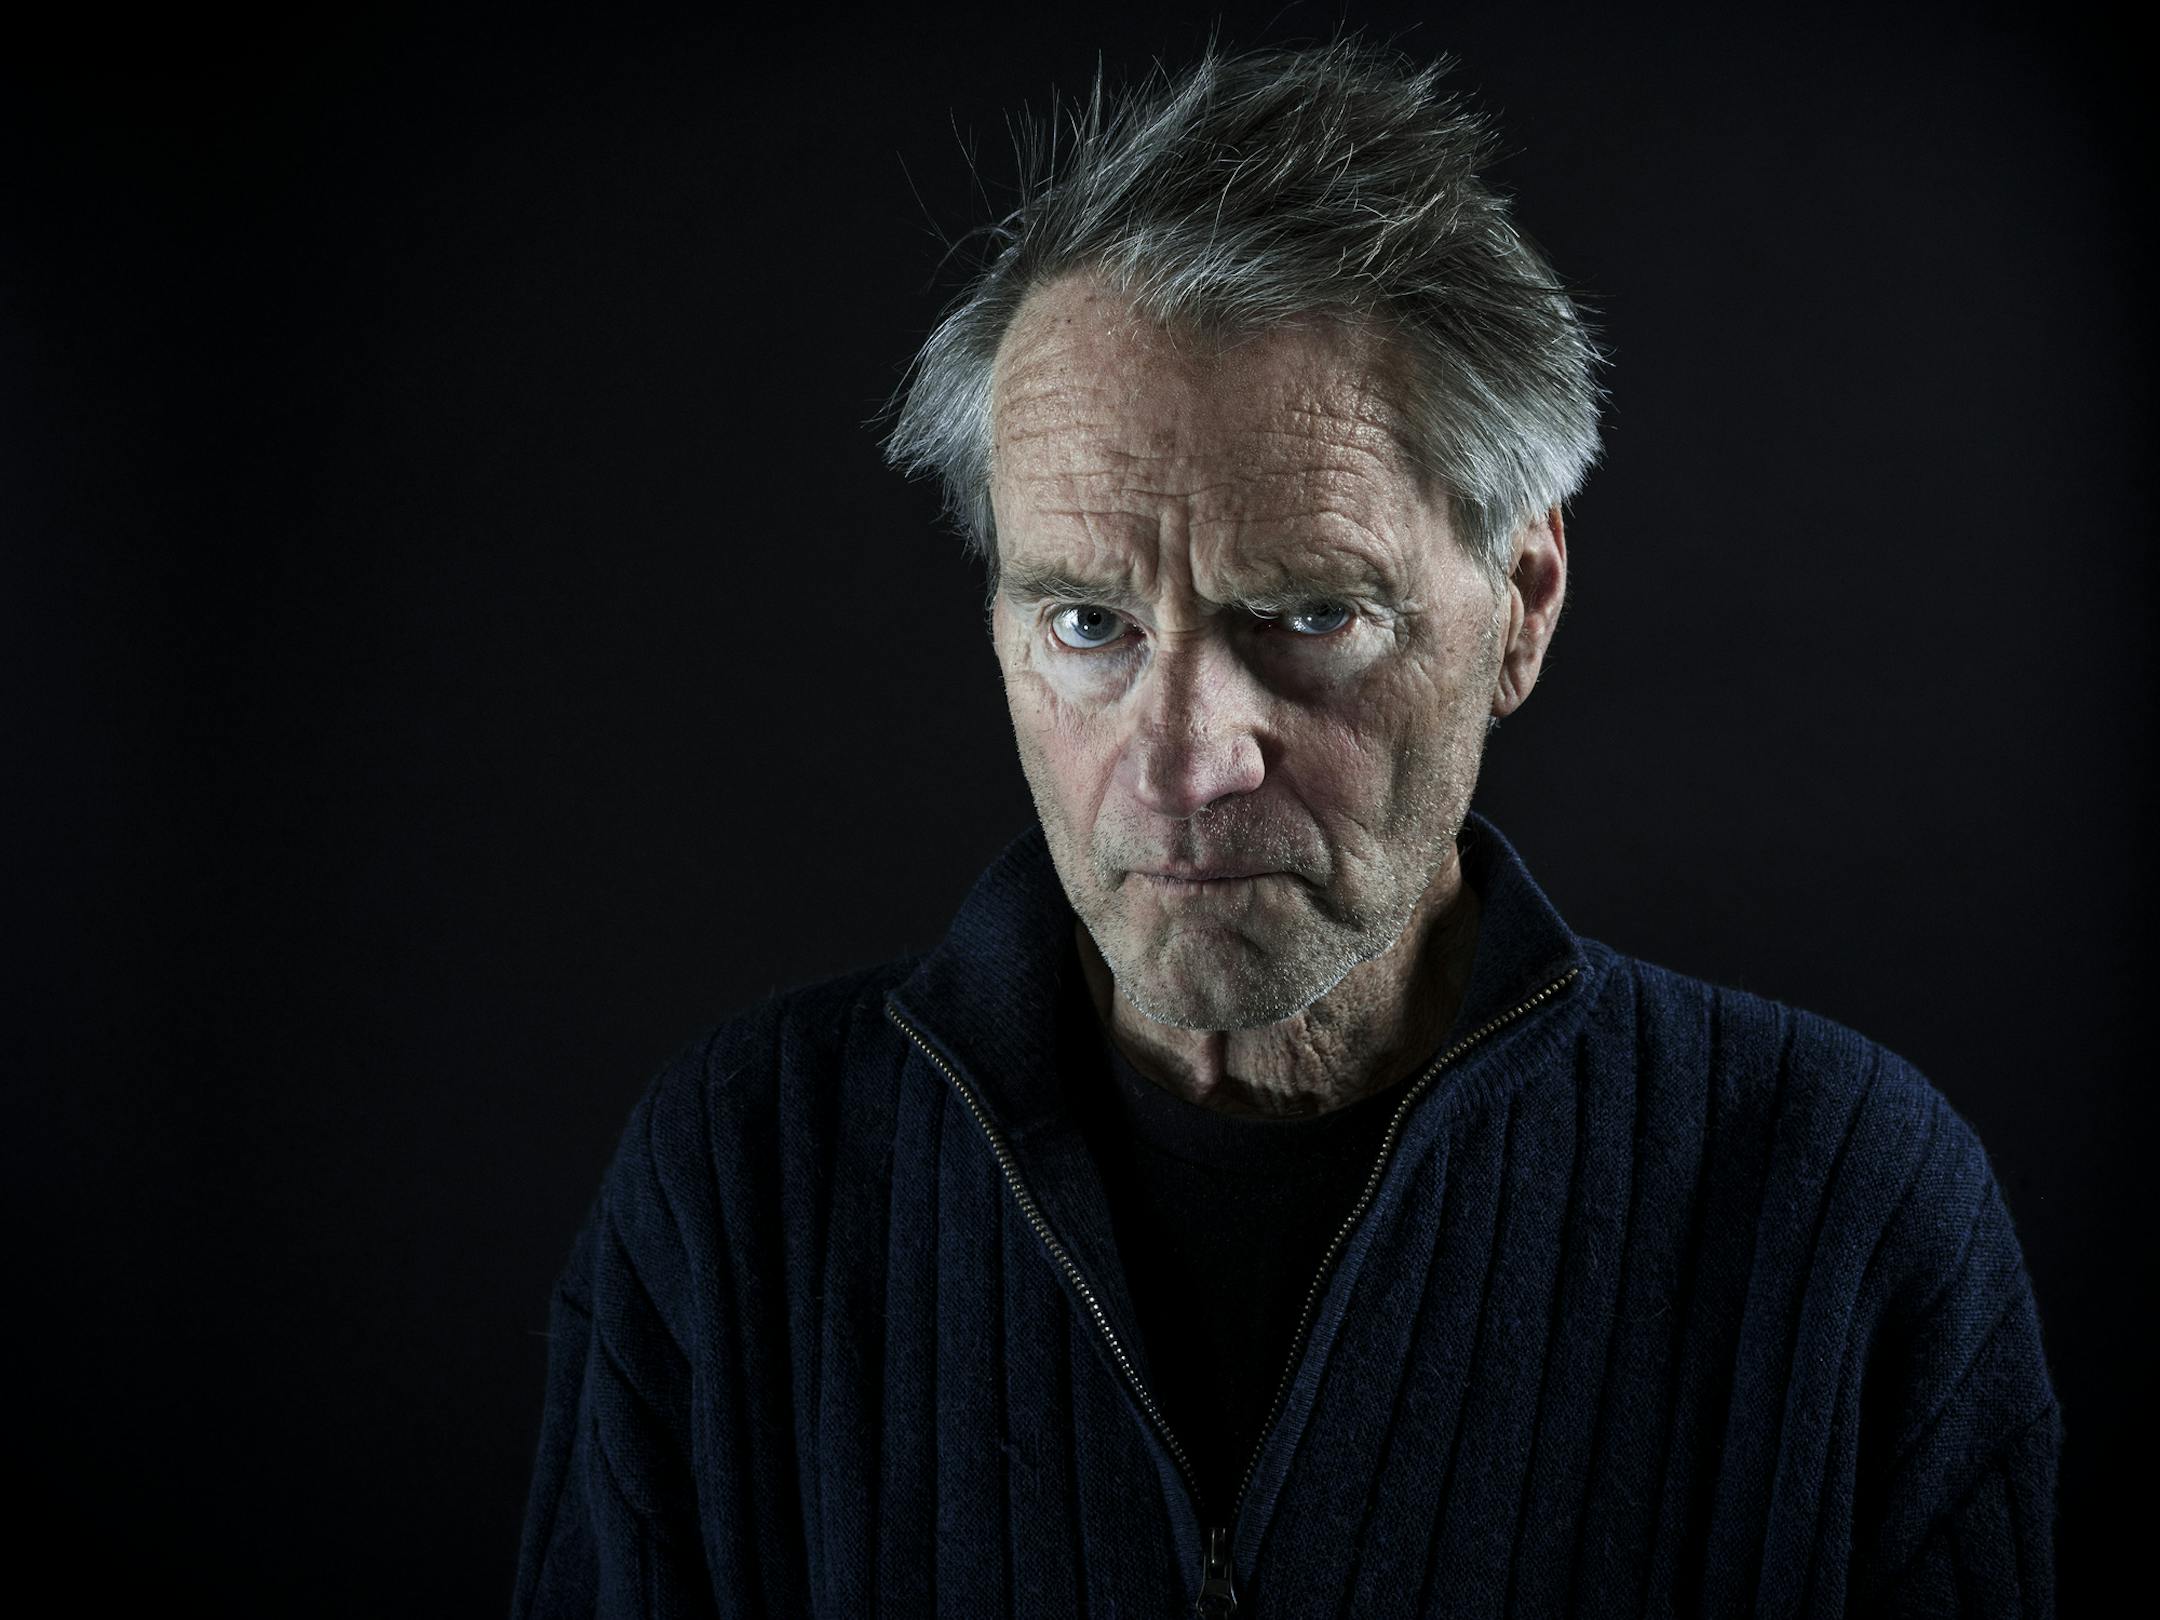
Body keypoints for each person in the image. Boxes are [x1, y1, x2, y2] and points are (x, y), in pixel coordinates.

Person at [512, 39, 2060, 1618]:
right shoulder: (737, 1189)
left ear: (1522, 604)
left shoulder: (1843, 1212)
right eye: (1088, 624)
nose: (1186, 762)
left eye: (1312, 614)